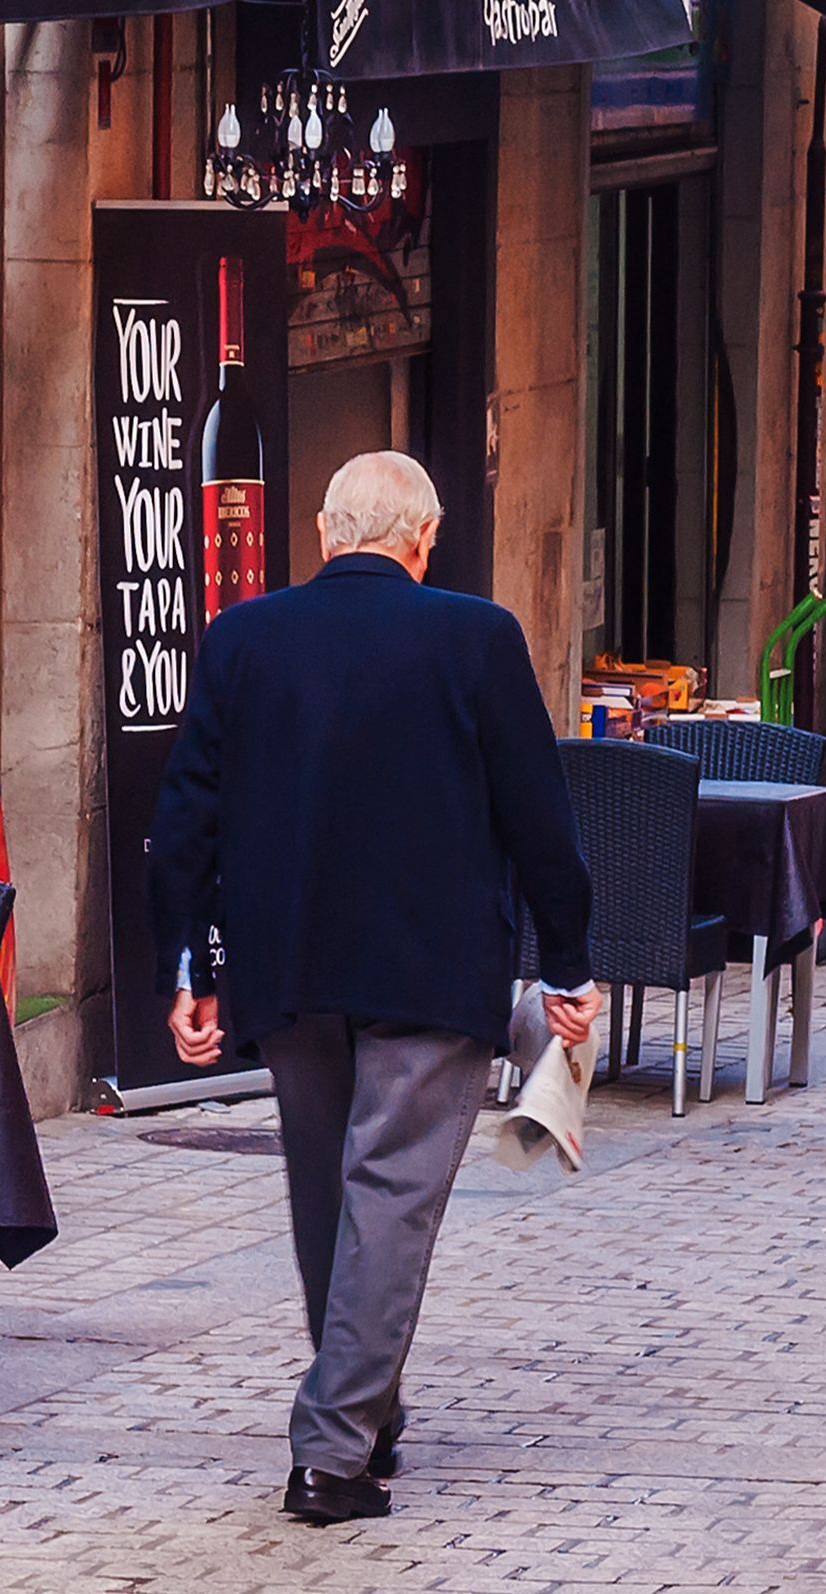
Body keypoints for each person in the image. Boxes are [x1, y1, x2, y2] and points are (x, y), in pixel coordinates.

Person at [146, 451, 602, 1526]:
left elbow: (184, 820)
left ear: (322, 531)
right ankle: (333, 1454)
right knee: (388, 1197)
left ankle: (366, 1404)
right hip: (430, 968)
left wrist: (190, 966)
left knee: (326, 1191)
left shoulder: (243, 638)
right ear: (422, 539)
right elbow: (541, 819)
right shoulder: (475, 637)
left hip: (286, 967)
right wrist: (571, 967)